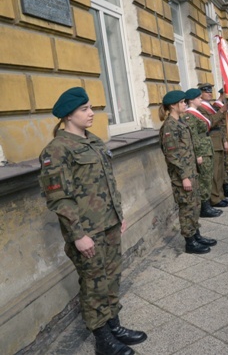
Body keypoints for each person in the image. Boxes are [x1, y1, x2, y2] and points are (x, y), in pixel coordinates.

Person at [39, 87, 146, 355]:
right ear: (68, 115)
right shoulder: (57, 150)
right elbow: (59, 199)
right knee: (94, 283)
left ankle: (114, 325)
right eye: (84, 109)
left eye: (91, 108)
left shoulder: (94, 142)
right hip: (87, 230)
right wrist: (78, 235)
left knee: (111, 278)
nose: (91, 113)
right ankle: (102, 338)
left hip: (108, 223)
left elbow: (110, 182)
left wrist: (118, 215)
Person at [159, 90, 216, 255]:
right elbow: (172, 156)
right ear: (173, 105)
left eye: (185, 101)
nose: (185, 104)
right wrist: (184, 177)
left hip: (191, 172)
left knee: (195, 205)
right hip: (182, 176)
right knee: (187, 208)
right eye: (182, 102)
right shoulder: (170, 126)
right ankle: (189, 241)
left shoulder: (181, 122)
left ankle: (196, 234)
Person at [184, 88, 222, 218]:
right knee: (204, 179)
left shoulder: (195, 112)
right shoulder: (189, 114)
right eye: (198, 98)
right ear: (191, 100)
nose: (201, 99)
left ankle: (207, 205)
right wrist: (198, 154)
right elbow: (193, 136)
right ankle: (204, 207)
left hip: (207, 148)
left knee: (208, 177)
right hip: (202, 151)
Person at [197, 83, 228, 208]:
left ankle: (220, 195)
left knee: (220, 172)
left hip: (218, 141)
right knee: (214, 173)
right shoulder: (200, 109)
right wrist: (221, 111)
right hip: (211, 142)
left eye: (210, 91)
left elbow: (220, 124)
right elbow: (210, 123)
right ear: (200, 93)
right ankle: (215, 198)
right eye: (206, 91)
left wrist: (224, 140)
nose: (209, 93)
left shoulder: (209, 106)